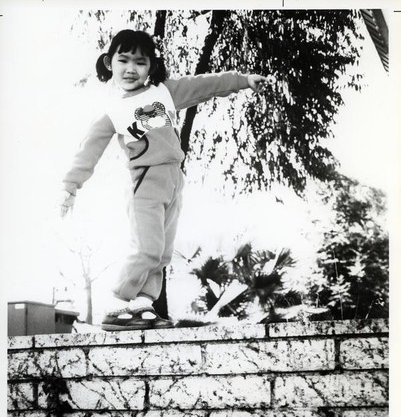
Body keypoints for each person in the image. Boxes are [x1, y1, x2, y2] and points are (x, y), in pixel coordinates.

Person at [60, 29, 267, 331]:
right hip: (145, 183)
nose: (131, 69)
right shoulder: (112, 112)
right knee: (147, 248)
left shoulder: (164, 92)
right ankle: (119, 302)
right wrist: (70, 187)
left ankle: (144, 305)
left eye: (140, 62)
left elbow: (205, 85)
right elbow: (88, 150)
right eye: (124, 60)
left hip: (174, 181)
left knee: (163, 252)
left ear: (151, 67)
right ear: (109, 63)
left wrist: (243, 81)